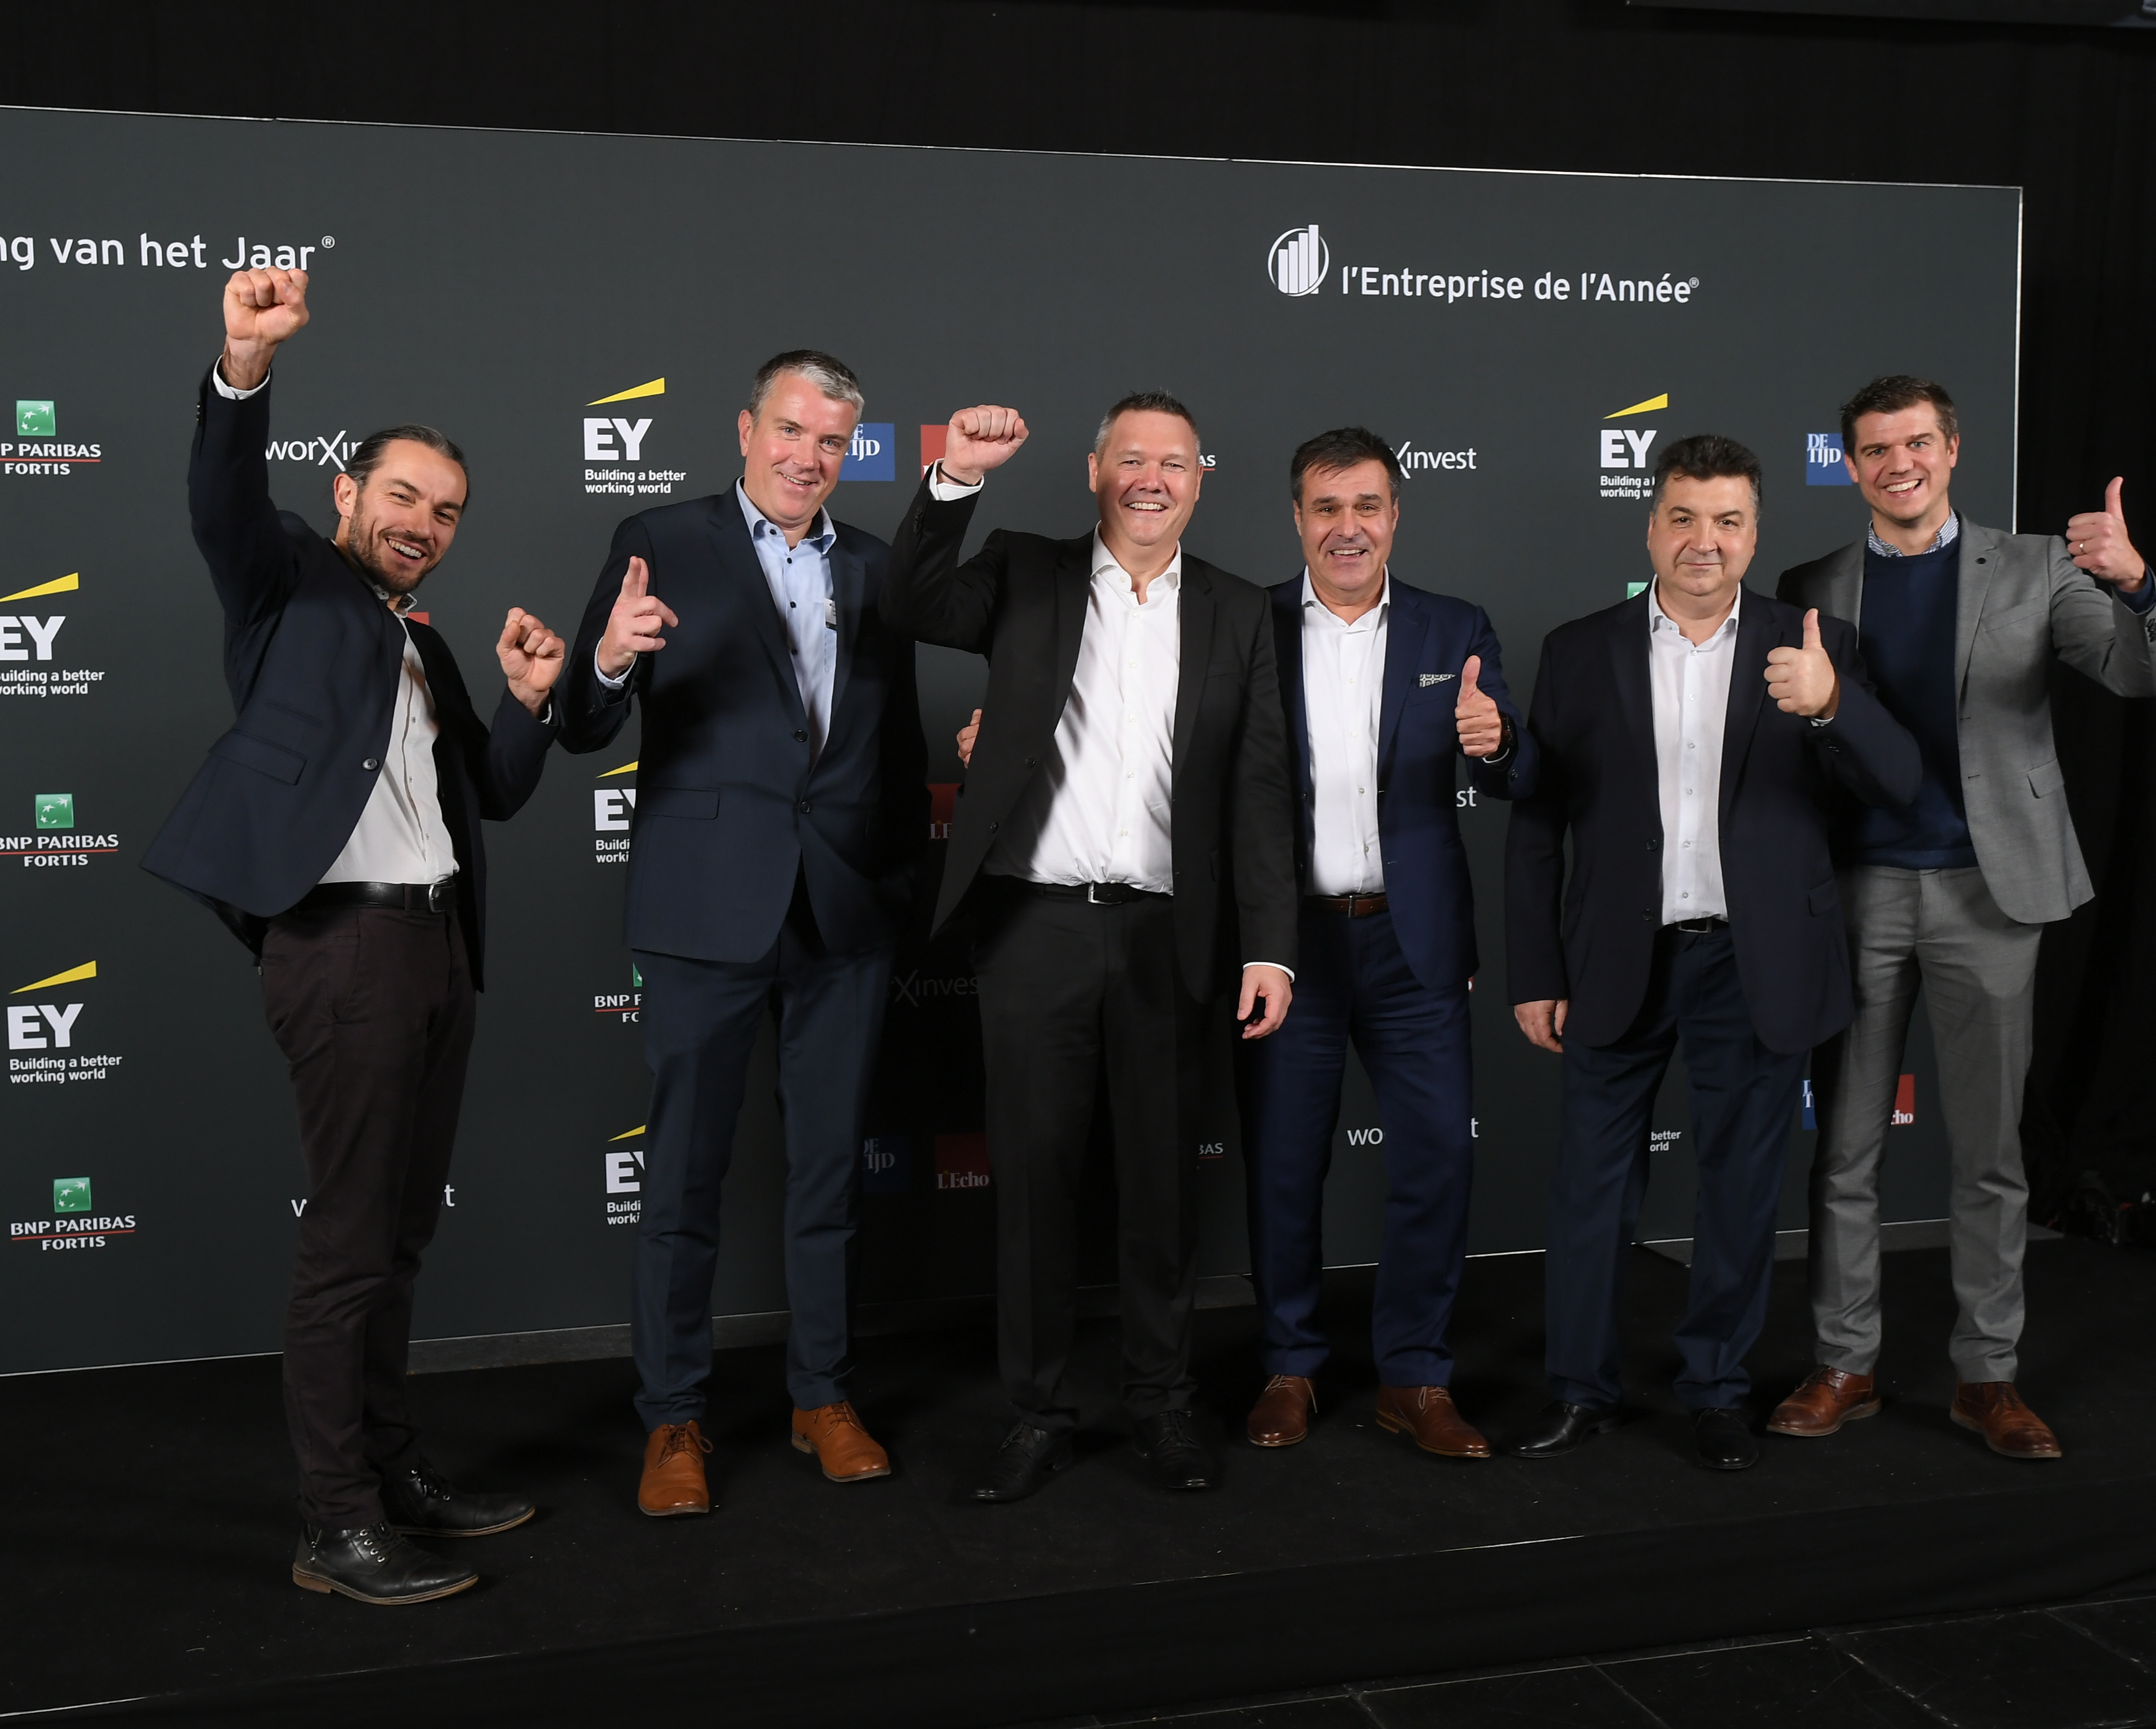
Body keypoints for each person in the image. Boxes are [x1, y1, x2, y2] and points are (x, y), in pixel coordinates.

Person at [143, 269, 564, 1605]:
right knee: (347, 1245)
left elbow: (493, 793)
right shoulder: (285, 583)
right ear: (345, 493)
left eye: (446, 512)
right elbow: (220, 498)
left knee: (399, 1239)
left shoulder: (422, 646)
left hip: (437, 951)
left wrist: (529, 701)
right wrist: (244, 364)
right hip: (343, 950)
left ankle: (392, 1473)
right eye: (403, 497)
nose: (423, 525)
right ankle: (336, 1523)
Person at [881, 393, 1298, 1501]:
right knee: (1033, 1183)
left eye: (1174, 462)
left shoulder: (1238, 607)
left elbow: (1260, 787)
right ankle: (1037, 1414)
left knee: (1163, 1188)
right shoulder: (1025, 568)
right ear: (1093, 471)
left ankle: (1162, 1404)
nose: (1151, 479)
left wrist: (1271, 947)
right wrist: (956, 478)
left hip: (1172, 933)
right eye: (1131, 459)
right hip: (1037, 925)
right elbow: (910, 601)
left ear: (1201, 480)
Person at [1504, 435, 1919, 1473]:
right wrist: (1537, 970)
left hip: (1756, 963)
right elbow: (1537, 824)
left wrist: (1832, 703)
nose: (1705, 540)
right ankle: (1580, 1389)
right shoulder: (1578, 649)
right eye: (1683, 517)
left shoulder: (1815, 642)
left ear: (1755, 533)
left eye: (1727, 520)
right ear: (1651, 528)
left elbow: (1898, 783)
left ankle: (1716, 1391)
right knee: (1590, 1191)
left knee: (1739, 1190)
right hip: (1616, 958)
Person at [558, 352, 925, 1517]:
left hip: (844, 914)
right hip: (704, 908)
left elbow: (897, 746)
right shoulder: (659, 538)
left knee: (829, 1173)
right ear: (746, 429)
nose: (807, 457)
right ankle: (674, 1417)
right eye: (790, 430)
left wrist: (895, 884)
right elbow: (581, 721)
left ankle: (824, 1396)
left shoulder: (877, 566)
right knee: (681, 1176)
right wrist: (609, 656)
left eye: (831, 441)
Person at [1769, 377, 2156, 1459]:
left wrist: (2140, 587)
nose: (1898, 463)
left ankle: (1987, 1376)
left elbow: (2135, 676)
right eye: (1875, 449)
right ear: (1851, 466)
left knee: (1989, 1155)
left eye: (1916, 444)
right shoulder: (1812, 585)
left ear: (1951, 451)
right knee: (1846, 1149)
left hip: (1993, 891)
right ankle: (1844, 1363)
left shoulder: (2036, 566)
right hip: (1856, 893)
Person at [1236, 427, 1536, 1459]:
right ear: (1297, 518)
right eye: (1327, 508)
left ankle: (1415, 1376)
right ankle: (1289, 1365)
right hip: (1289, 950)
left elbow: (1510, 765)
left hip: (1416, 948)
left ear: (1396, 514)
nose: (1348, 527)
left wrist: (1497, 742)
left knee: (1436, 1163)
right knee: (1284, 1166)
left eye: (1367, 506)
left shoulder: (1455, 625)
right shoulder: (1249, 624)